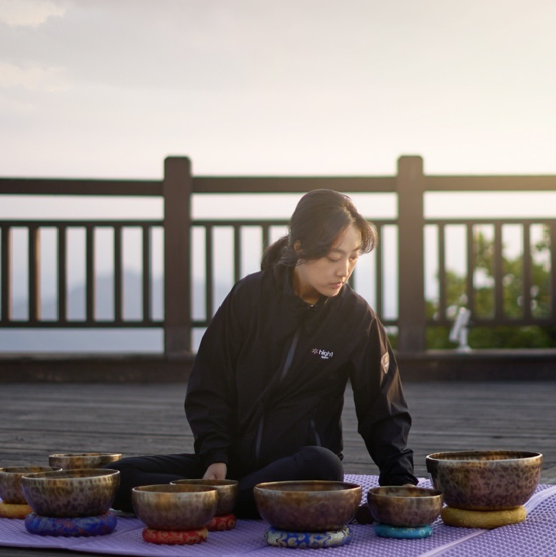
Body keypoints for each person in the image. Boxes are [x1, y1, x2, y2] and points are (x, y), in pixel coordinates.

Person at [106, 189, 417, 517]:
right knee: (119, 477)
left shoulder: (355, 319)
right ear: (300, 247)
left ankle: (202, 503)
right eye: (333, 256)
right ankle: (230, 501)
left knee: (323, 465)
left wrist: (401, 483)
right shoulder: (249, 296)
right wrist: (215, 455)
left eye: (353, 256)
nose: (344, 270)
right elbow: (210, 381)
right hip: (233, 465)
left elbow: (383, 408)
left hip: (295, 472)